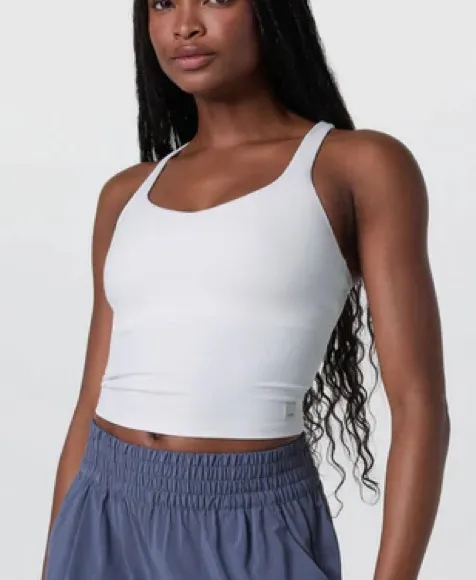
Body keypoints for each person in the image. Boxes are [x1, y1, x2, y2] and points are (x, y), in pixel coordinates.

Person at [41, 0, 450, 579]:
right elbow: (89, 400)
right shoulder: (125, 195)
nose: (185, 25)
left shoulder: (356, 166)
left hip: (250, 522)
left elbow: (419, 405)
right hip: (102, 509)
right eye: (163, 4)